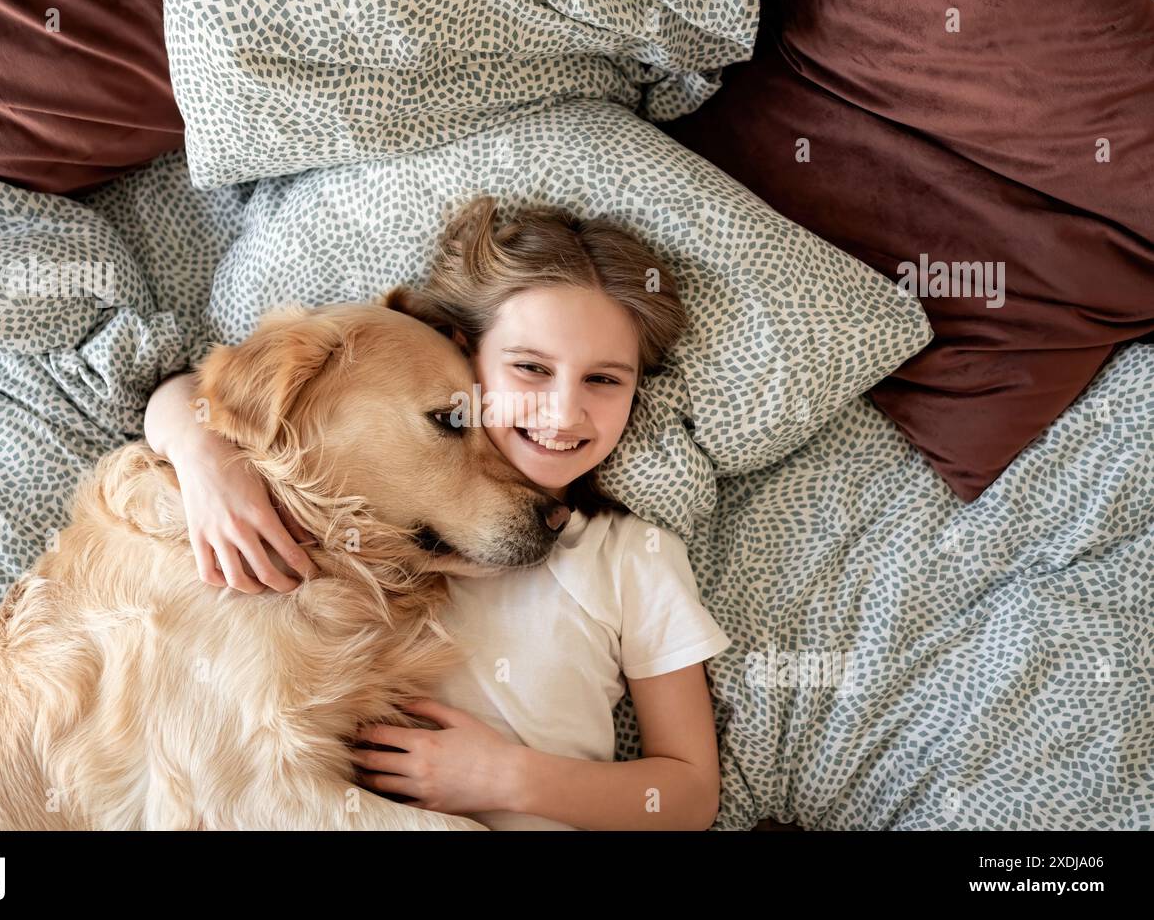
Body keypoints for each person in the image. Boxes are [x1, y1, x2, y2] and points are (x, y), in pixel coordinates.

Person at [144, 195, 731, 830]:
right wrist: (204, 453)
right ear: (461, 354)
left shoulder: (633, 556)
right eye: (532, 367)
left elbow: (692, 795)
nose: (563, 412)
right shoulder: (379, 522)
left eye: (605, 380)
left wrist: (504, 777)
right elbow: (226, 403)